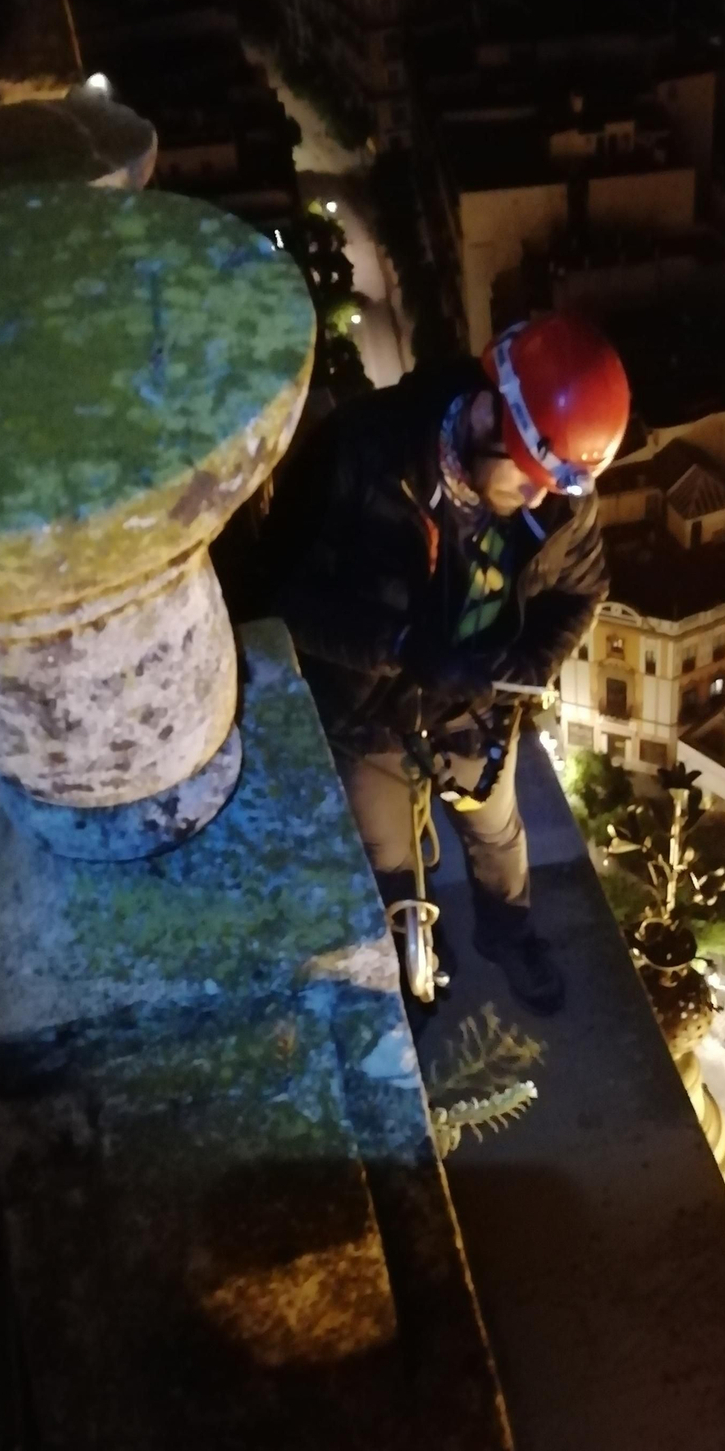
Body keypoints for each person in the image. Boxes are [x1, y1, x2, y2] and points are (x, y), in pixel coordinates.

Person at [266, 311, 630, 1016]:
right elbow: (282, 596)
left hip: (474, 709)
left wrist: (525, 665)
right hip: (371, 714)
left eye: (552, 489)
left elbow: (584, 588)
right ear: (491, 412)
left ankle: (509, 933)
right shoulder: (362, 457)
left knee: (499, 836)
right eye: (527, 479)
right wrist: (398, 645)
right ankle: (415, 962)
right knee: (390, 860)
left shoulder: (557, 501)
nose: (536, 499)